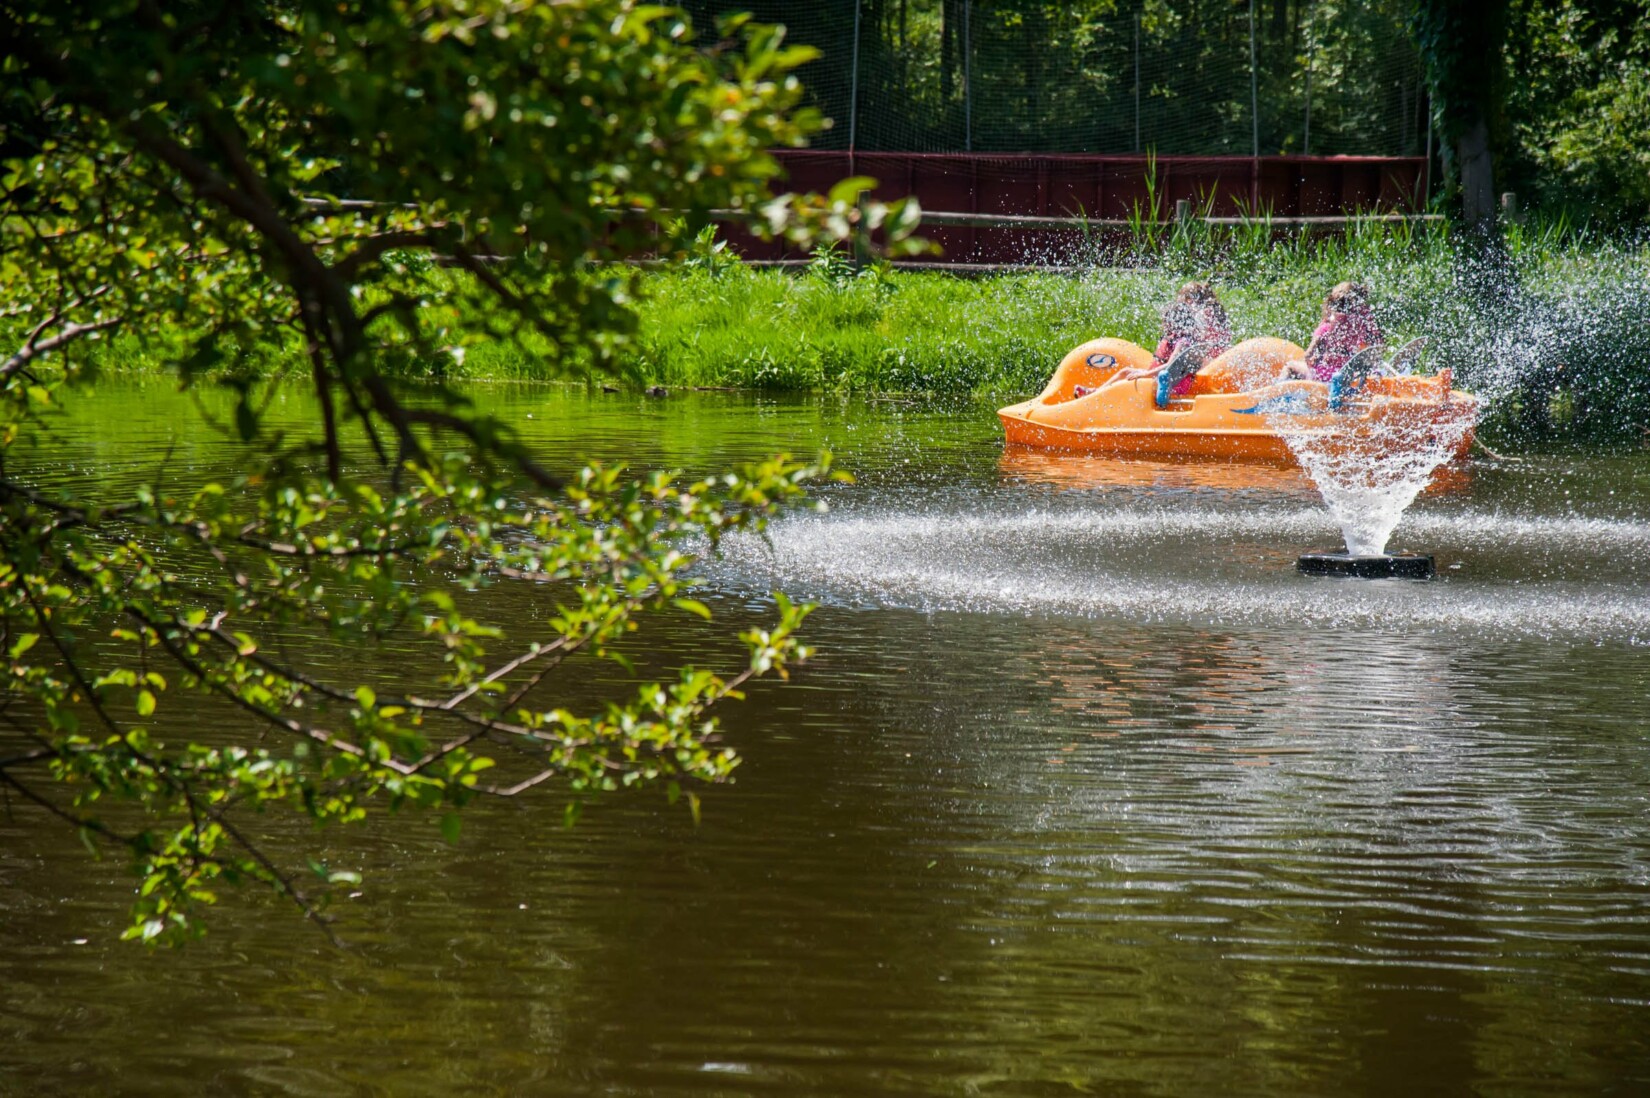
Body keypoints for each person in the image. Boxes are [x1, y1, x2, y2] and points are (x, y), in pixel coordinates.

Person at [1080, 281, 1233, 400]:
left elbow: (1173, 366)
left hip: (1174, 382)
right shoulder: (1183, 335)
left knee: (1128, 379)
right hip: (1169, 377)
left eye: (1167, 322)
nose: (1164, 326)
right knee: (1126, 373)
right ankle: (1095, 393)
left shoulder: (1190, 335)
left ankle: (1097, 396)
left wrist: (1145, 375)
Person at [1285, 281, 1383, 382]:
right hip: (1346, 376)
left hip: (1323, 375)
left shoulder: (1327, 327)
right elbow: (1370, 354)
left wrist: (1311, 366)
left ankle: (1274, 392)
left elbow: (1308, 355)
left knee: (1290, 366)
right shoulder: (1359, 328)